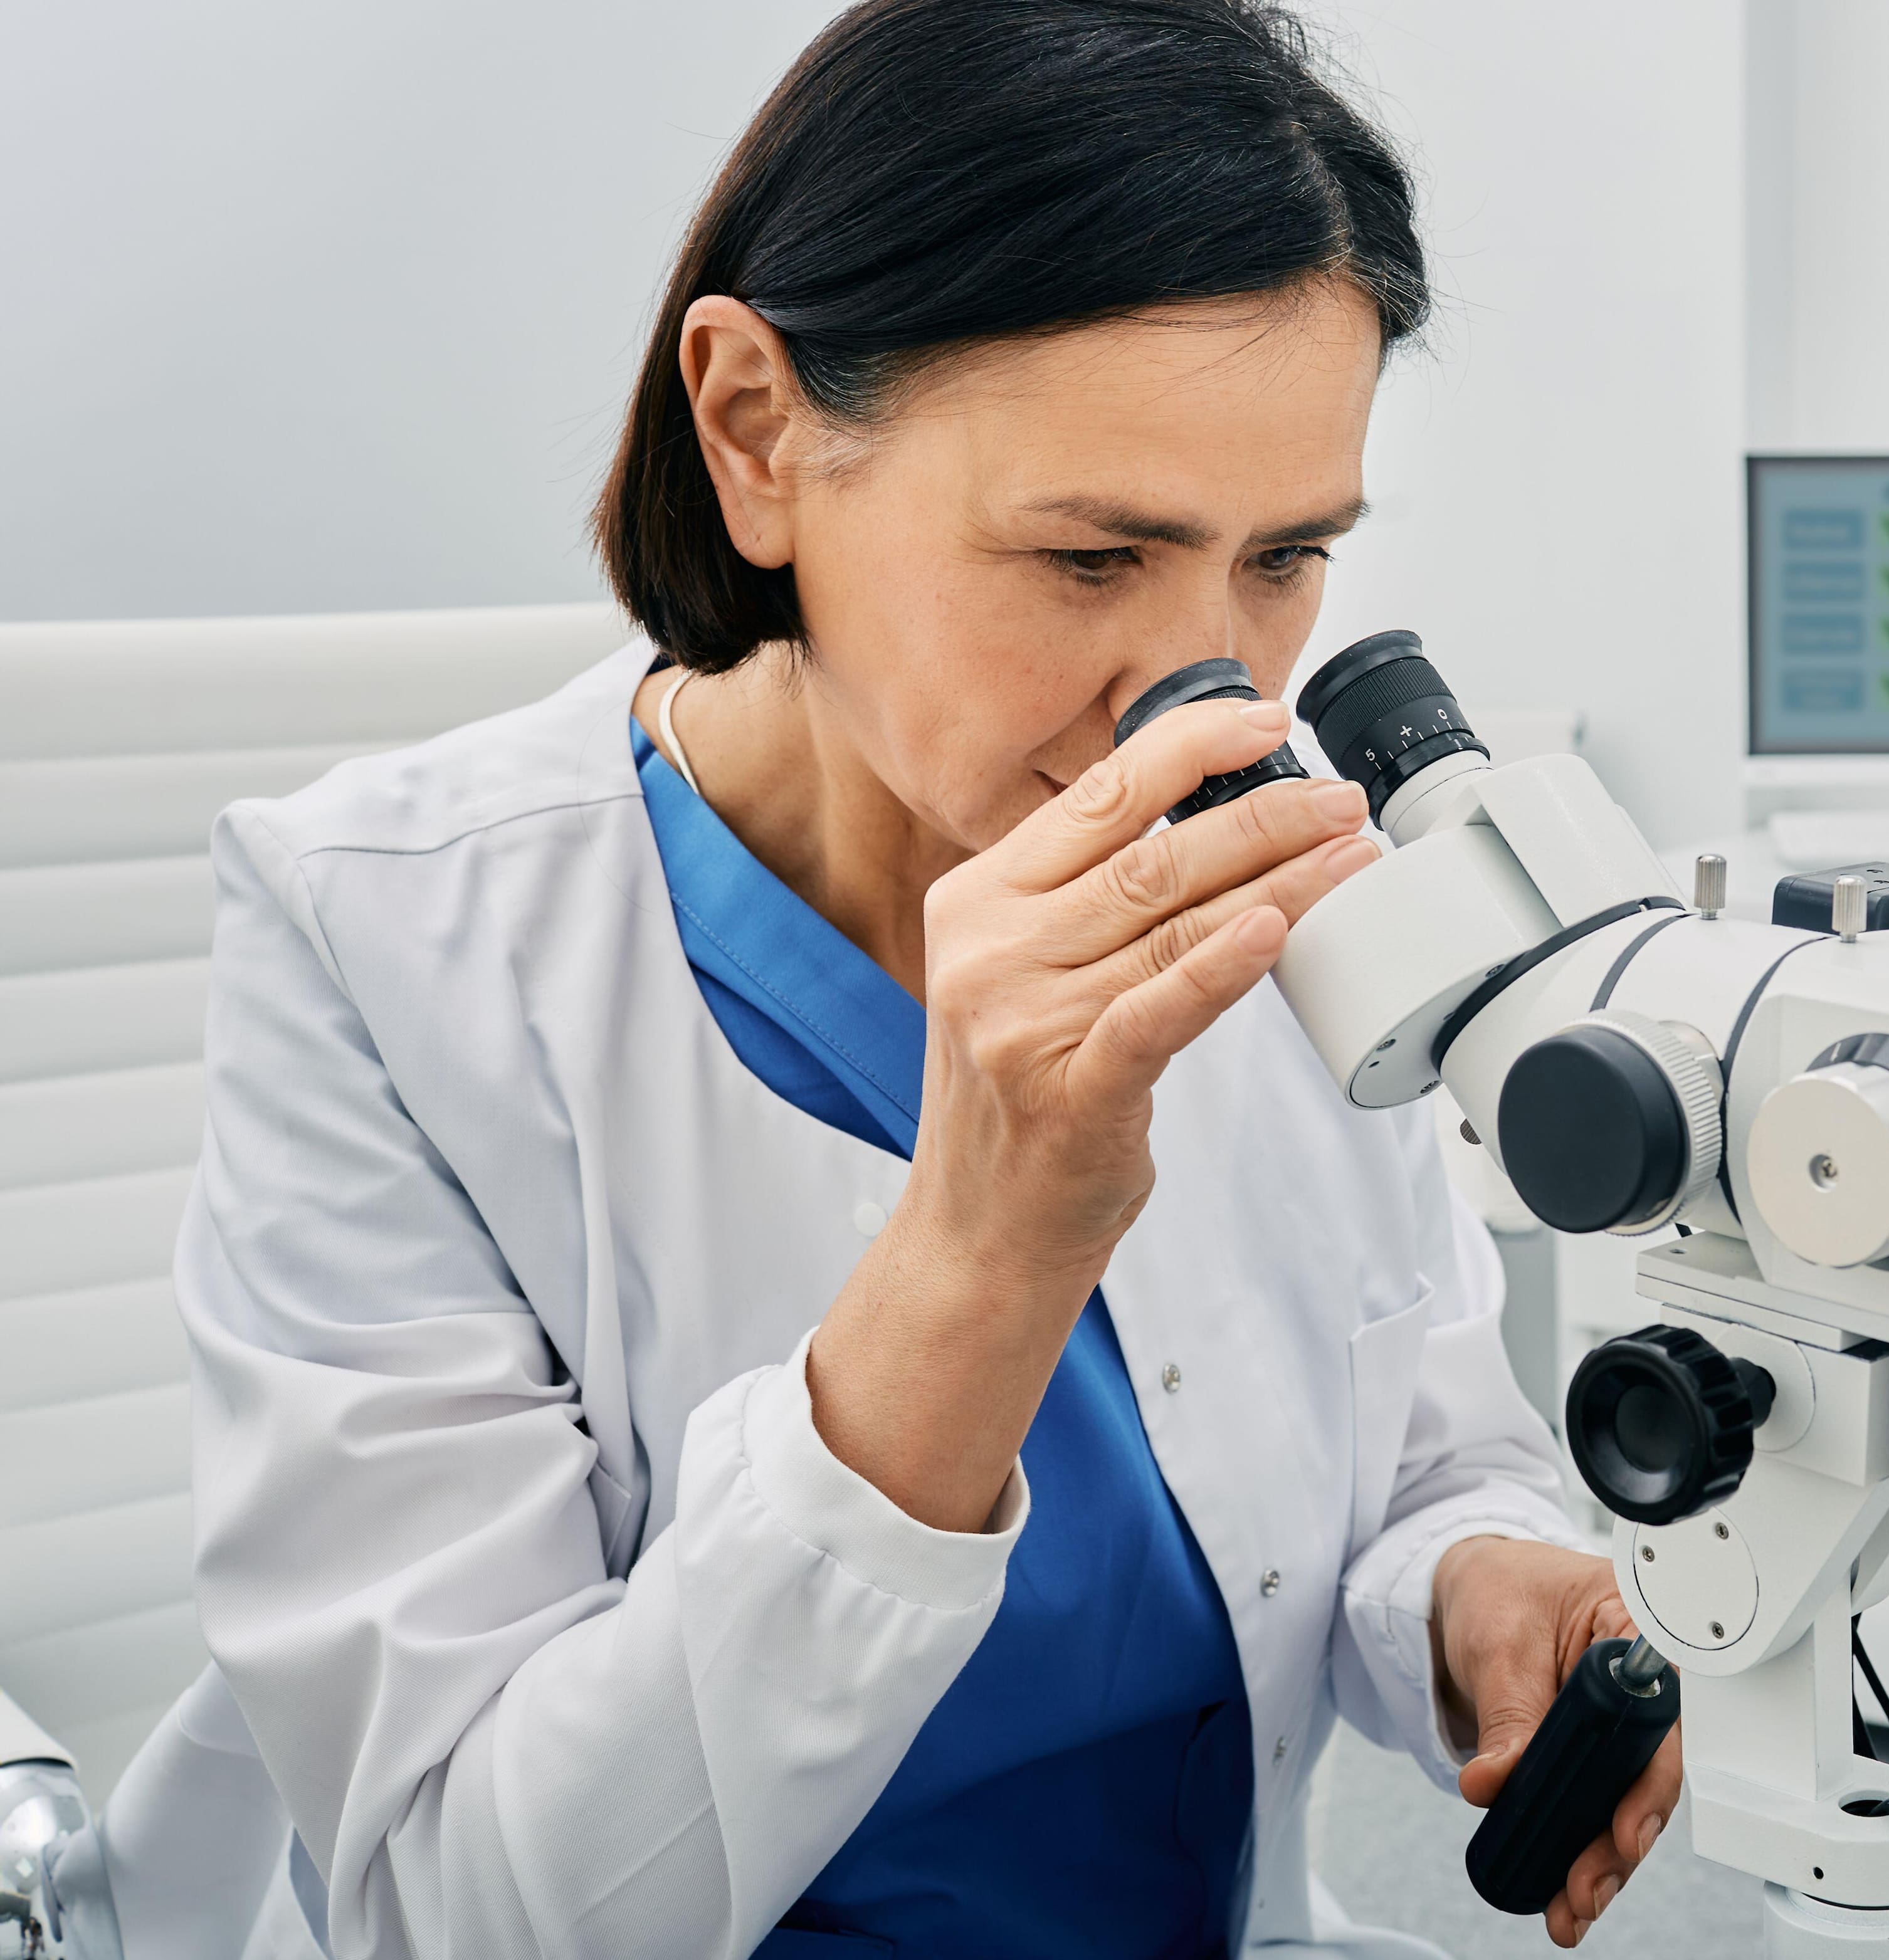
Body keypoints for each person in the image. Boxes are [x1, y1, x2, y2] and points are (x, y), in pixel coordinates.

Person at [170, 3, 1675, 1952]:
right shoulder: (379, 943)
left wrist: (1484, 1581)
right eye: (1088, 560)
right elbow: (480, 1901)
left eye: (1285, 558)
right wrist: (983, 1244)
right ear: (757, 433)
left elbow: (1421, 1436)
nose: (1206, 693)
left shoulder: (1282, 884)